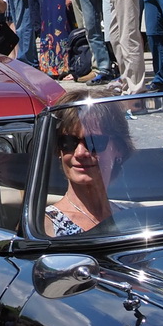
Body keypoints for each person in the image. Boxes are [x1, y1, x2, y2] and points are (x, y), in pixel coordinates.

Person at [44, 98, 132, 237]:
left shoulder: (131, 217)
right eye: (68, 142)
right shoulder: (43, 227)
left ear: (119, 148)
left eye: (94, 142)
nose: (80, 153)